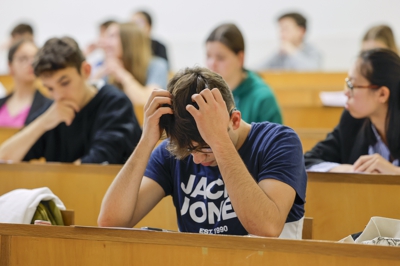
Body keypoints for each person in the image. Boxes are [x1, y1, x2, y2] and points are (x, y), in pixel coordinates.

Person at [98, 67, 307, 239]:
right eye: (189, 150)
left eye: (205, 148)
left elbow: (267, 227)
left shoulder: (279, 141)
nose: (197, 159)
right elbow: (110, 222)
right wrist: (146, 141)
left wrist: (219, 142)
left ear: (234, 120)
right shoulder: (173, 151)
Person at [0, 37, 142, 164]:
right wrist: (42, 123)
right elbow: (4, 158)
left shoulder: (115, 104)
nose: (58, 96)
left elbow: (97, 165)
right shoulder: (52, 111)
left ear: (86, 71)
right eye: (49, 88)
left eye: (65, 83)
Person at [304, 49, 400, 174]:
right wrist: (352, 170)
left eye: (353, 86)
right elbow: (307, 161)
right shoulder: (352, 121)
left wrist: (395, 172)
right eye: (347, 84)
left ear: (382, 94)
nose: (346, 93)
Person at [206, 23, 282, 124]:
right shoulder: (204, 92)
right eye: (208, 56)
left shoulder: (263, 98)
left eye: (220, 57)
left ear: (240, 58)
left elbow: (274, 139)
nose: (212, 64)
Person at [96, 22, 168, 106]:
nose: (105, 43)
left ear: (128, 41)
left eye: (112, 37)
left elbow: (148, 101)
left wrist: (121, 74)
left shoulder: (157, 65)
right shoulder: (108, 70)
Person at [0, 39, 51, 128]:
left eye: (35, 58)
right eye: (23, 58)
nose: (31, 63)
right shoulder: (2, 103)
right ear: (10, 65)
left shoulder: (48, 106)